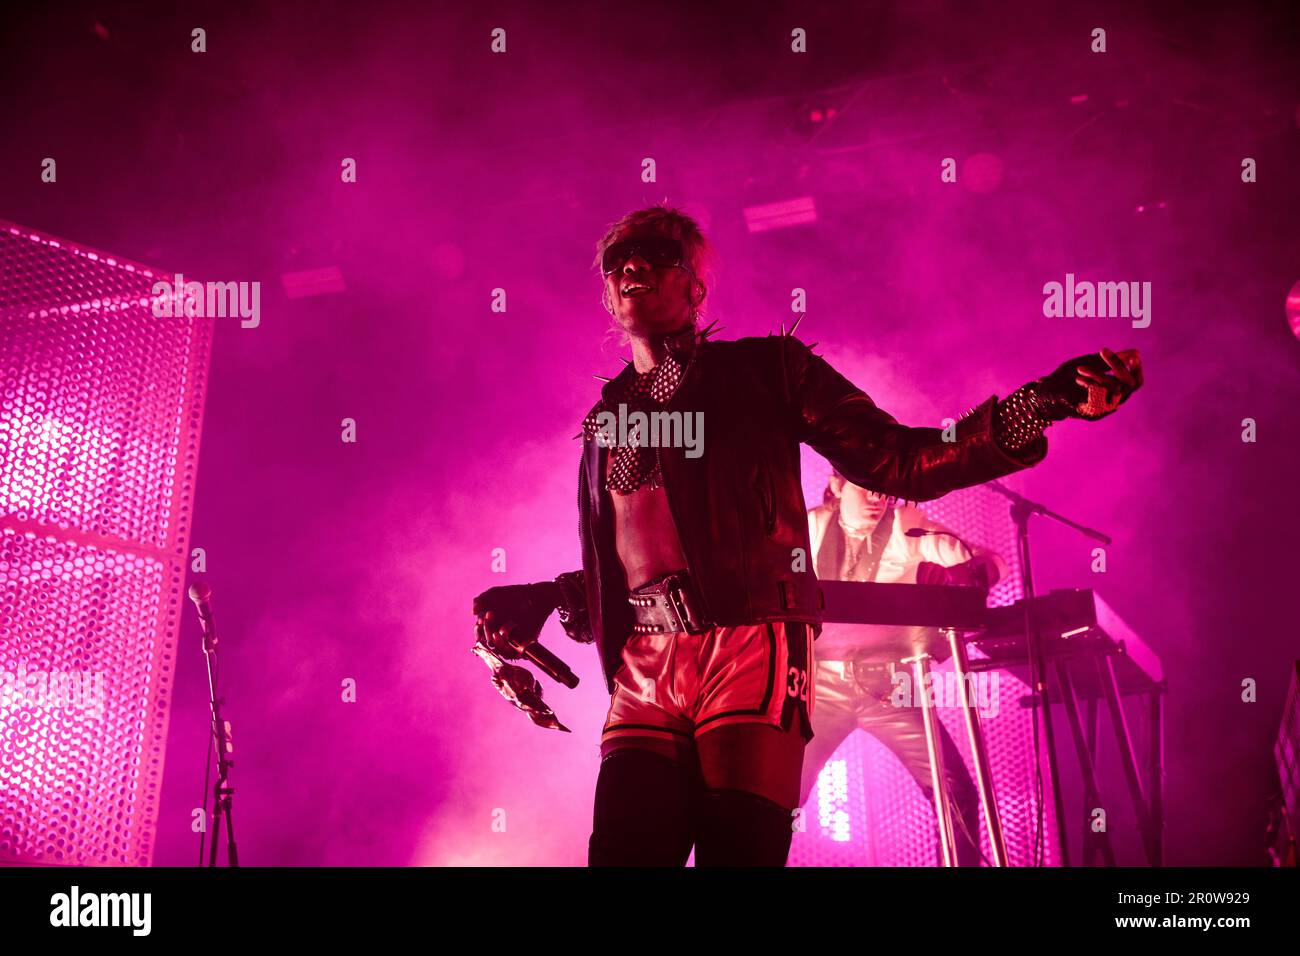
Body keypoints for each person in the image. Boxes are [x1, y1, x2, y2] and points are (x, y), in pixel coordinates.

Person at [472, 204, 1143, 866]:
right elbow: (633, 558)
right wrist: (547, 596)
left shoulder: (768, 372)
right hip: (648, 663)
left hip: (748, 644)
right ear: (606, 293)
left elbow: (900, 459)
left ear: (694, 287)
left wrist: (1042, 403)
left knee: (738, 853)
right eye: (618, 262)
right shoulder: (607, 422)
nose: (633, 267)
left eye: (655, 255)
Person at [802, 473, 1006, 865]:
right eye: (866, 486)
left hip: (893, 689)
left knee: (955, 790)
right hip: (822, 687)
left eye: (883, 488)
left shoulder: (907, 523)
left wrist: (971, 570)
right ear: (838, 484)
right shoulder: (809, 527)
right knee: (775, 794)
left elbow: (988, 559)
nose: (878, 497)